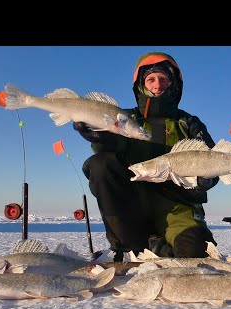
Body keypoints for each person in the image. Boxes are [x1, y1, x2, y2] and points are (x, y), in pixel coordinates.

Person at [73, 52, 219, 261]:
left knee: (197, 257)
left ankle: (158, 247)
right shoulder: (123, 118)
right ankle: (125, 246)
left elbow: (213, 160)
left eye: (163, 79)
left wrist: (208, 178)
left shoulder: (189, 123)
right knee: (99, 164)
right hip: (134, 205)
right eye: (150, 79)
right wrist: (99, 138)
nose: (157, 85)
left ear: (174, 83)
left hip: (178, 206)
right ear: (141, 85)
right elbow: (108, 158)